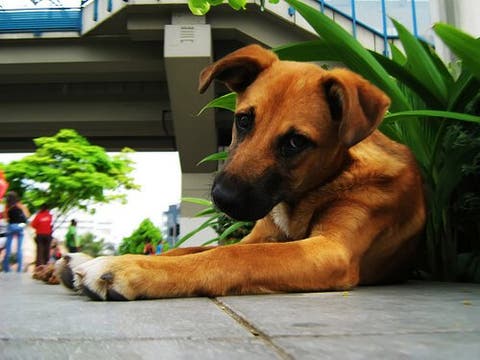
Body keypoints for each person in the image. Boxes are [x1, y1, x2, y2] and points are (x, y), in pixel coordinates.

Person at [2, 191, 30, 272]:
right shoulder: (20, 205)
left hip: (11, 226)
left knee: (8, 248)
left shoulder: (7, 206)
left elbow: (6, 219)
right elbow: (27, 215)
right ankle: (19, 269)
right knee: (19, 249)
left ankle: (6, 268)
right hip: (20, 227)